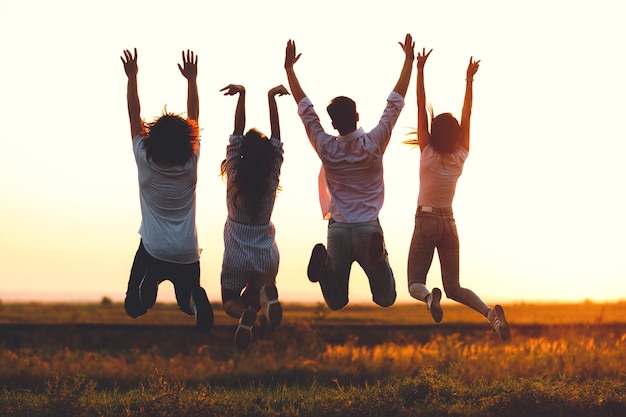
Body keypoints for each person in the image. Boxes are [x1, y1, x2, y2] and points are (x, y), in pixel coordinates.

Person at [283, 35, 414, 310]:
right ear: (357, 116)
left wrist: (289, 71)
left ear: (333, 122)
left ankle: (326, 266)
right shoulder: (374, 143)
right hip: (368, 227)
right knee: (385, 297)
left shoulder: (326, 147)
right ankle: (377, 259)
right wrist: (409, 61)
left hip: (339, 230)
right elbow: (395, 104)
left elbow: (306, 111)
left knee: (337, 301)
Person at [406, 48, 510, 341]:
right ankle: (491, 316)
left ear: (433, 132)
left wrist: (420, 70)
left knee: (415, 282)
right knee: (454, 286)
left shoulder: (426, 151)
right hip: (450, 224)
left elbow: (420, 103)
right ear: (456, 136)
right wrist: (468, 80)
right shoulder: (461, 154)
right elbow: (468, 114)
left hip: (426, 221)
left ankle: (428, 298)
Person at [120, 48, 213, 334]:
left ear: (152, 139)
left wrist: (132, 77)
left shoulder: (144, 158)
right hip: (186, 252)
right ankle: (197, 302)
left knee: (132, 307)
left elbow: (134, 112)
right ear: (188, 139)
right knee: (186, 303)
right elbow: (194, 116)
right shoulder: (191, 161)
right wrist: (191, 80)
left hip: (152, 249)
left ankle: (144, 294)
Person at [219, 83, 288, 349]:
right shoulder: (272, 172)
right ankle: (264, 299)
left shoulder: (234, 169)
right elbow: (277, 140)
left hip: (236, 253)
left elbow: (236, 134)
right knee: (256, 293)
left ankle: (243, 313)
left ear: (242, 152)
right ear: (269, 156)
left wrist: (242, 95)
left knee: (229, 300)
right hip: (266, 253)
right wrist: (272, 98)